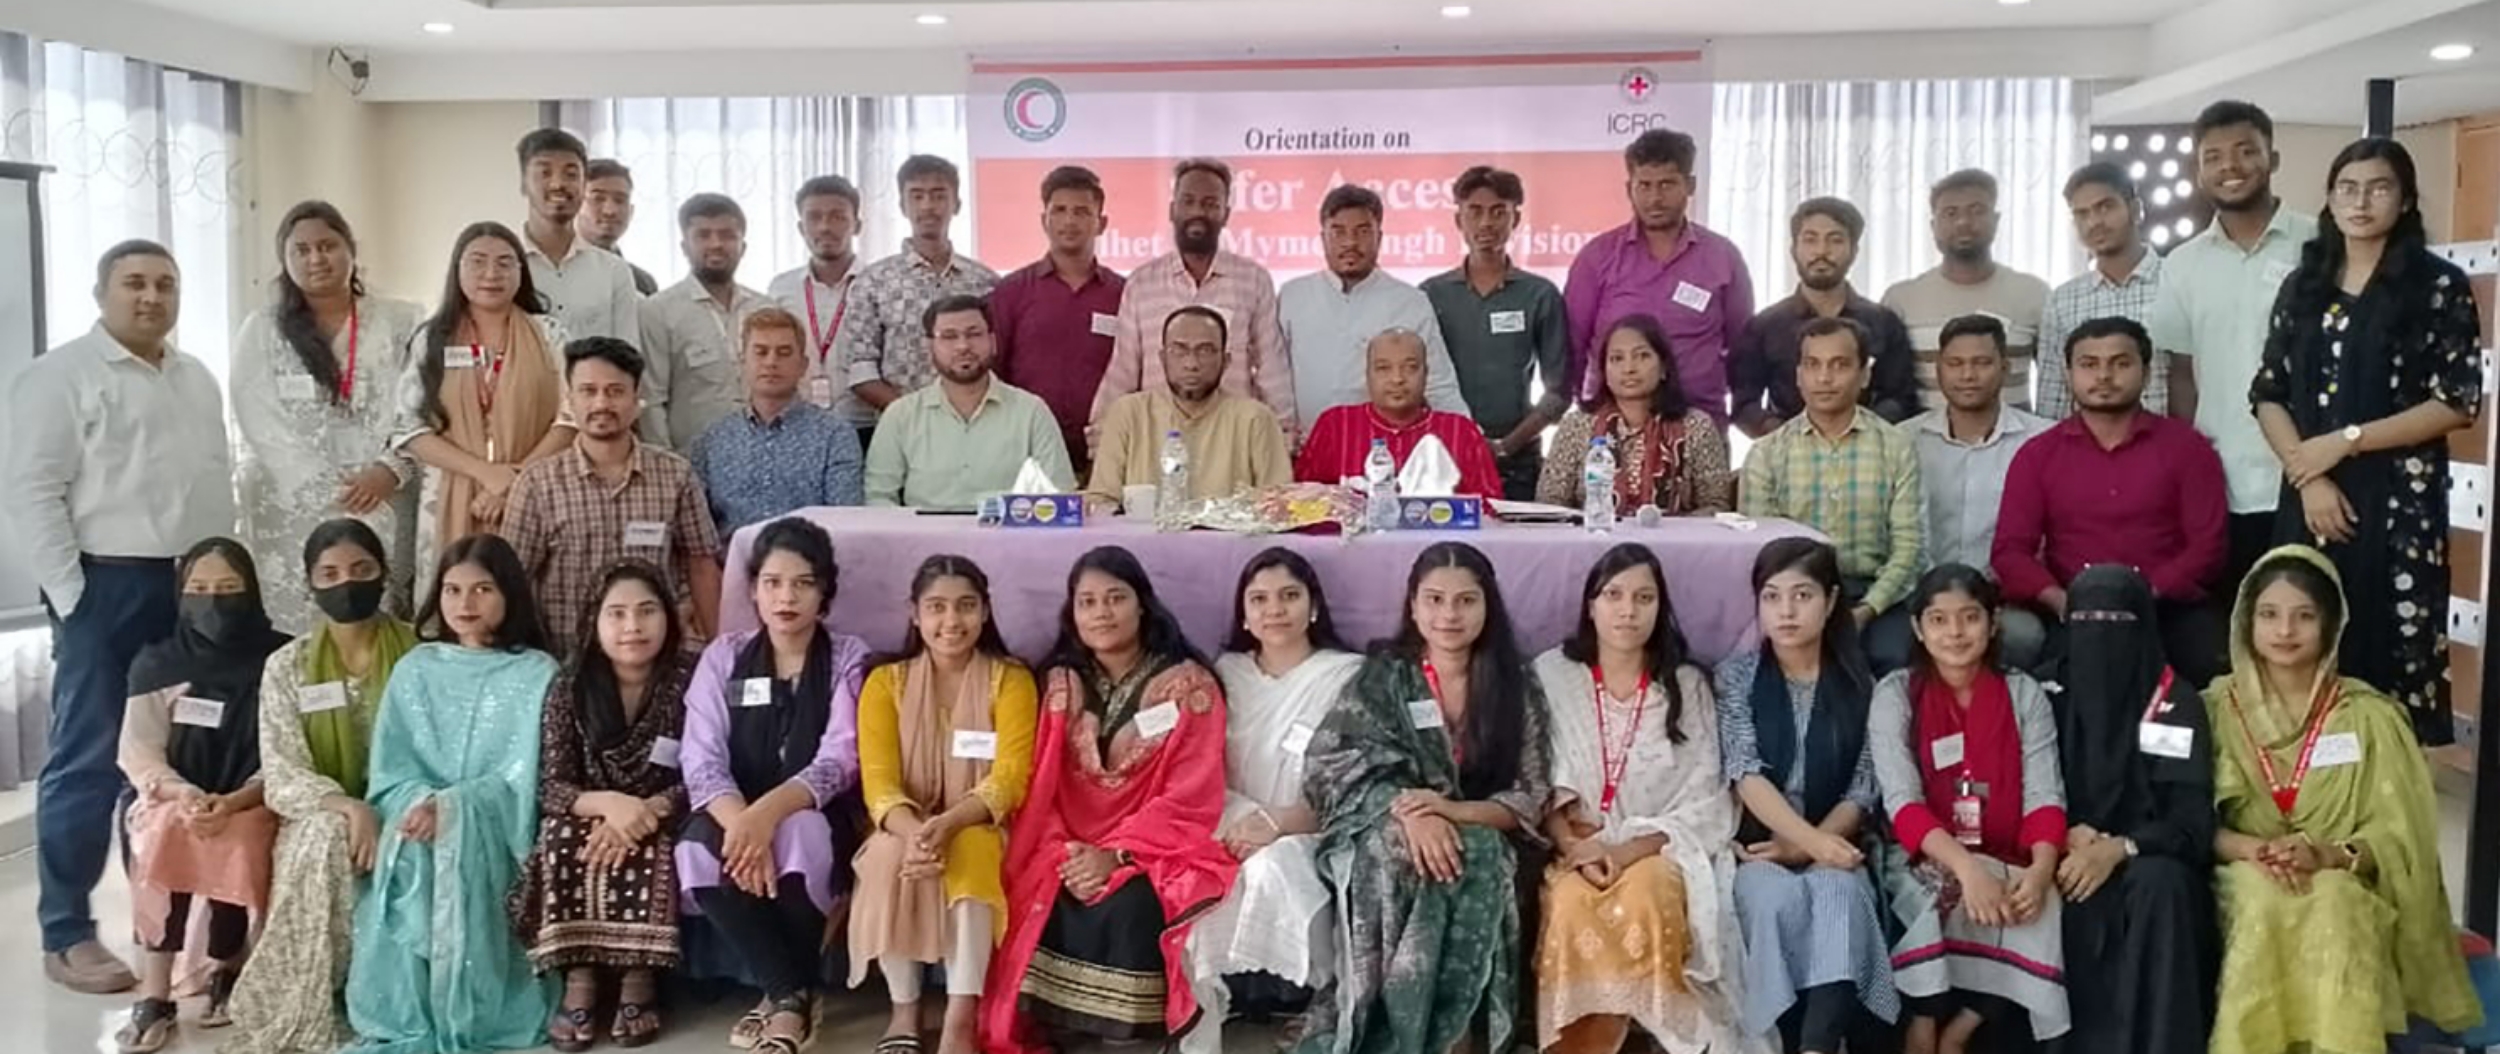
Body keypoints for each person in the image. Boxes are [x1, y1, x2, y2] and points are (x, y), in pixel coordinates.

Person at [5, 239, 233, 993]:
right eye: (134, 283)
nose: (151, 296)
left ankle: (161, 924)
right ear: (101, 292)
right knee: (89, 757)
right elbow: (31, 491)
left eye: (166, 284)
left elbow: (213, 485)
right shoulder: (60, 375)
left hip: (188, 587)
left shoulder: (195, 377)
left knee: (172, 757)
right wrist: (75, 602)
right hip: (104, 584)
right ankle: (66, 932)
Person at [2254, 137, 2484, 747]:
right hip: (2310, 495)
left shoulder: (2438, 286)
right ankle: (2304, 785)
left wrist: (2347, 441)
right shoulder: (2304, 284)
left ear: (2405, 200)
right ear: (2329, 200)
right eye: (2347, 189)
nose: (2361, 202)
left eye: (2379, 188)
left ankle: (2387, 785)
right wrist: (2309, 474)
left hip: (2399, 499)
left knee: (2390, 648)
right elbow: (2269, 392)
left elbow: (2456, 401)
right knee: (2301, 632)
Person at [2205, 546, 2480, 1054]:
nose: (2285, 630)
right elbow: (2188, 819)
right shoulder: (2213, 710)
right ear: (2246, 623)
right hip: (2241, 868)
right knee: (2261, 898)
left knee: (2336, 900)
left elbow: (2400, 836)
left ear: (2331, 625)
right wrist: (2252, 850)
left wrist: (2328, 855)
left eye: (2304, 616)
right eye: (2269, 614)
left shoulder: (2370, 717)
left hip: (2337, 873)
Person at [1293, 542, 1552, 1054]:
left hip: (1485, 826)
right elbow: (1331, 765)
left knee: (1480, 852)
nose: (1449, 615)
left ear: (1488, 606)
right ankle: (1394, 1027)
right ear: (1412, 606)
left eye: (1465, 600)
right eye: (1434, 599)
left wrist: (1450, 811)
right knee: (1394, 852)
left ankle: (1458, 1034)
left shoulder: (1515, 682)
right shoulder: (1386, 676)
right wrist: (1410, 813)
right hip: (1387, 820)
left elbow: (1532, 793)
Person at [980, 547, 1236, 1054]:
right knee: (1043, 891)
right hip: (1064, 845)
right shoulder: (1058, 685)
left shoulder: (1190, 687)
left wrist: (1116, 855)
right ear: (1072, 614)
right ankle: (1061, 1029)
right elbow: (1040, 784)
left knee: (1133, 902)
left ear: (1143, 604)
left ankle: (1125, 1036)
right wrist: (1067, 852)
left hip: (1152, 847)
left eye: (1115, 598)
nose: (1101, 612)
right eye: (1088, 601)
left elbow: (1190, 792)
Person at [343, 533, 560, 1054]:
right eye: (452, 589)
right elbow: (390, 771)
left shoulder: (537, 672)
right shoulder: (416, 668)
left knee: (455, 850)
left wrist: (456, 808)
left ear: (509, 593)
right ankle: (414, 1009)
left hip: (497, 830)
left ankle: (477, 1006)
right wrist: (422, 803)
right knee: (413, 852)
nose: (465, 604)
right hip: (413, 815)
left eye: (482, 589)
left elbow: (527, 778)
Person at [1533, 543, 1751, 1054]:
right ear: (1590, 606)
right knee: (1569, 904)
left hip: (1660, 847)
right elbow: (1537, 778)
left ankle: (1655, 1041)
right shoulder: (1553, 675)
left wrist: (1625, 850)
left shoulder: (1686, 685)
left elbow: (1708, 797)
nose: (1628, 611)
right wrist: (1574, 847)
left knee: (1646, 897)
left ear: (1661, 607)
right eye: (1613, 595)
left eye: (1643, 598)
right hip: (1578, 847)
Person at [221, 519, 418, 1054]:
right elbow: (282, 768)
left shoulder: (421, 654)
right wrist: (348, 807)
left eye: (360, 569)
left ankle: (389, 998)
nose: (345, 583)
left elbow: (437, 750)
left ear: (383, 574)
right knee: (326, 836)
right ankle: (308, 998)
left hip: (408, 803)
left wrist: (390, 804)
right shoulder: (287, 665)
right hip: (320, 810)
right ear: (309, 583)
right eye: (329, 574)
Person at [676, 517, 872, 1054]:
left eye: (803, 583)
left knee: (802, 836)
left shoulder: (848, 656)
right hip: (732, 807)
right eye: (772, 582)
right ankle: (790, 993)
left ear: (824, 593)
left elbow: (841, 757)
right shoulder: (724, 656)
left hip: (815, 810)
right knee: (695, 851)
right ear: (753, 590)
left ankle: (782, 996)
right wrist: (744, 825)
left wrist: (767, 817)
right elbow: (700, 755)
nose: (786, 597)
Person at [1868, 565, 2070, 1053]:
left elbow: (2045, 795)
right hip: (1923, 855)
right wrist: (1966, 867)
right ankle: (1923, 1019)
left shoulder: (2024, 693)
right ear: (1918, 628)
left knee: (2037, 901)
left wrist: (2041, 869)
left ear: (1993, 621)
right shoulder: (1896, 693)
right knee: (1938, 892)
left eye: (1970, 617)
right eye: (1938, 620)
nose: (1955, 633)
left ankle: (1964, 1028)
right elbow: (1903, 804)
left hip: (2007, 851)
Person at [849, 555, 1039, 1054]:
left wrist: (950, 823)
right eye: (936, 607)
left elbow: (1010, 778)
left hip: (984, 822)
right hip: (905, 826)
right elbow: (879, 784)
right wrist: (916, 834)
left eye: (965, 606)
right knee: (886, 855)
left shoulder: (1011, 680)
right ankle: (904, 1010)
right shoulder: (884, 684)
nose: (951, 621)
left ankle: (960, 1017)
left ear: (985, 612)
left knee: (972, 848)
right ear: (914, 614)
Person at [1715, 538, 1899, 1054]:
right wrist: (1806, 845)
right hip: (1757, 848)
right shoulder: (1737, 677)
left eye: (1802, 595)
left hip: (1835, 840)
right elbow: (1745, 772)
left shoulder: (1863, 685)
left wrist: (1810, 848)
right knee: (1772, 898)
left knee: (1839, 893)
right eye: (1772, 597)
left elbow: (1863, 787)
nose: (1787, 611)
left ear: (1832, 600)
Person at [113, 539, 292, 1053]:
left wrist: (238, 799)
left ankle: (227, 966)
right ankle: (155, 993)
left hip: (255, 796)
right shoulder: (156, 663)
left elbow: (289, 743)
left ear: (252, 592)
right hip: (174, 796)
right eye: (200, 589)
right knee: (165, 835)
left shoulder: (282, 658)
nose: (214, 601)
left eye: (229, 588)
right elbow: (139, 751)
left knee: (238, 839)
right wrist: (184, 793)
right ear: (180, 594)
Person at [1187, 548, 1366, 1053]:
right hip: (1229, 819)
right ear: (1243, 614)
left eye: (1289, 596)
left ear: (1314, 606)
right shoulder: (1224, 674)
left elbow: (1356, 777)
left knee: (1275, 868)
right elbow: (1199, 767)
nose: (1275, 610)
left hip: (1310, 826)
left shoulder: (1348, 675)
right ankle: (1207, 1008)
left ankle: (1322, 1004)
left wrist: (1280, 822)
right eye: (1259, 599)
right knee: (1198, 878)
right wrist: (1247, 819)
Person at [509, 562, 694, 1050]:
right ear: (594, 620)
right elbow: (552, 786)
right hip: (591, 812)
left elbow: (705, 772)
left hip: (666, 809)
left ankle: (639, 978)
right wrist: (610, 805)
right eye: (617, 613)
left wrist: (646, 811)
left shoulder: (691, 680)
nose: (633, 626)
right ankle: (580, 977)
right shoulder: (569, 686)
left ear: (668, 616)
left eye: (647, 611)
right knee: (559, 834)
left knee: (655, 843)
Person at [1993, 317, 2229, 686]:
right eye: (2089, 364)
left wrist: (2146, 594)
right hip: (2072, 610)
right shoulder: (2038, 455)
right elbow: (2010, 551)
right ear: (2068, 374)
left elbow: (2208, 547)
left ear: (2146, 373)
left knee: (2213, 665)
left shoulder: (2187, 448)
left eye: (2120, 363)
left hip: (2167, 607)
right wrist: (2060, 600)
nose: (2104, 376)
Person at [232, 201, 427, 631]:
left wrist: (390, 469)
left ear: (350, 250)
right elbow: (258, 419)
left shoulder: (404, 320)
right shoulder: (262, 330)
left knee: (379, 618)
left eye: (327, 246)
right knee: (304, 627)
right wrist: (325, 487)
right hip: (293, 502)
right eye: (301, 250)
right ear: (285, 261)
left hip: (384, 493)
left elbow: (425, 402)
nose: (316, 258)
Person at [2149, 100, 2316, 592]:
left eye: (2246, 151)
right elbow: (2182, 371)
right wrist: (2190, 462)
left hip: (2311, 468)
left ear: (2273, 159)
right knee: (2234, 614)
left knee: (2313, 610)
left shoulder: (2320, 244)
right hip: (2223, 477)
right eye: (2214, 157)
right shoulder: (2182, 264)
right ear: (2198, 172)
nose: (2230, 167)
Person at [2048, 565, 2215, 1054]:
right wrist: (2059, 834)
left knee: (2162, 886)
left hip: (2147, 854)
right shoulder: (2046, 693)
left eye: (2115, 621)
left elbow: (2190, 823)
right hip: (2058, 847)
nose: (2100, 634)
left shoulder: (2174, 701)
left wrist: (2121, 848)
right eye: (2086, 620)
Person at [501, 337, 723, 654]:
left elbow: (701, 565)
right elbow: (512, 579)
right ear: (569, 400)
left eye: (615, 391)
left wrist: (718, 651)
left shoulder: (676, 476)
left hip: (656, 659)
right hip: (565, 660)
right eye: (588, 391)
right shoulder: (537, 484)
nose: (601, 404)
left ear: (637, 397)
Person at [390, 221, 575, 591]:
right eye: (477, 261)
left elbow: (571, 418)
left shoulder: (550, 333)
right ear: (457, 269)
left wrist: (515, 480)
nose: (491, 273)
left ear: (521, 272)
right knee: (455, 598)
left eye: (505, 263)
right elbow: (408, 427)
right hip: (448, 494)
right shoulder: (432, 338)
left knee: (528, 597)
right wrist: (486, 473)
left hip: (535, 491)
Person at [1738, 318, 1922, 672]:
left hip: (1872, 593)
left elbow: (1909, 548)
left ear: (1864, 375)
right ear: (1798, 375)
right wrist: (1804, 607)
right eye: (1813, 364)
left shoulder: (1896, 446)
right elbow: (1761, 552)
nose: (1824, 378)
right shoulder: (1767, 452)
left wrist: (1866, 610)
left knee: (1897, 658)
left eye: (1839, 365)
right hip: (1794, 594)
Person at [1091, 157, 1295, 436]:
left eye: (1210, 204)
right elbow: (1123, 368)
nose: (1198, 211)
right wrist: (1103, 430)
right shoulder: (1142, 283)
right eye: (1188, 201)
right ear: (1172, 210)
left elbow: (1271, 367)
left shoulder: (1253, 280)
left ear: (1226, 214)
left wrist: (1284, 430)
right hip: (1157, 439)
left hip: (1233, 439)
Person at [1565, 128, 1753, 422]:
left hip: (1700, 424)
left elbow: (1742, 349)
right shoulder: (1597, 257)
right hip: (1613, 426)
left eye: (1667, 184)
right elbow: (1572, 345)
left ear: (1690, 186)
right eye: (1644, 185)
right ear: (1629, 189)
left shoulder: (1723, 257)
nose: (1654, 198)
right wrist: (1589, 413)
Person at [1910, 315, 2054, 671]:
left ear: (2005, 368)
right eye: (1955, 364)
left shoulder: (2043, 442)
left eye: (1982, 363)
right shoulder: (1904, 441)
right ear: (1938, 369)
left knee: (2022, 636)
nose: (1968, 375)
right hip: (1922, 596)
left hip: (2007, 599)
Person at [1422, 165, 1571, 500]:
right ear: (1458, 220)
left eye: (1498, 212)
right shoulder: (1431, 295)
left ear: (1515, 219)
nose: (1486, 223)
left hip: (1518, 462)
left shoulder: (1539, 295)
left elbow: (1559, 392)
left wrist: (1505, 446)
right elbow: (1419, 382)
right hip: (1443, 456)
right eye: (1475, 212)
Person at [1279, 185, 1470, 438]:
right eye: (1338, 232)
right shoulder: (1292, 295)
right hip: (1304, 445)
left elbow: (1438, 385)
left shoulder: (1410, 301)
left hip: (1385, 448)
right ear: (1322, 237)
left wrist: (1468, 439)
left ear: (1379, 237)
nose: (1350, 242)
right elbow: (1273, 379)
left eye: (1362, 231)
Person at [863, 295, 1076, 510]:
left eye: (974, 334)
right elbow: (879, 497)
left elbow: (1058, 494)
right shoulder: (901, 415)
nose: (963, 346)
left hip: (1009, 530)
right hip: (924, 530)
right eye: (949, 336)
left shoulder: (1031, 411)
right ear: (930, 347)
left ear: (993, 342)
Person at [1730, 197, 1919, 436]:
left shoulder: (1884, 323)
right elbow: (1745, 405)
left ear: (1854, 251)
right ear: (1793, 250)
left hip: (1868, 451)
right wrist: (1785, 438)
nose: (1821, 251)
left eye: (1835, 240)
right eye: (1810, 239)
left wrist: (1859, 436)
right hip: (1786, 452)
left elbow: (1900, 399)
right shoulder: (1764, 326)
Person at [839, 154, 1001, 424]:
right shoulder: (873, 281)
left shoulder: (985, 282)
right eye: (917, 196)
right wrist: (913, 415)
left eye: (938, 195)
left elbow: (996, 359)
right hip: (901, 427)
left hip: (977, 423)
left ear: (957, 204)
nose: (927, 206)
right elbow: (861, 371)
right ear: (903, 206)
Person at [1085, 305, 1294, 514]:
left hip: (1230, 536)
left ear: (1226, 361)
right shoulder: (1129, 414)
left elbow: (1279, 504)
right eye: (1179, 350)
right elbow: (1102, 501)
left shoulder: (1254, 419)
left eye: (1205, 351)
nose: (1191, 364)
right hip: (1142, 535)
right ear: (1162, 358)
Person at [992, 165, 1128, 473]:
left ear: (1101, 223)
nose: (1069, 221)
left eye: (1082, 212)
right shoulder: (1011, 291)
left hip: (1105, 453)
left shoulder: (1124, 293)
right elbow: (995, 373)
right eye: (1060, 210)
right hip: (1026, 453)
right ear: (1044, 220)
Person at [1881, 169, 2052, 413]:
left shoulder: (2034, 294)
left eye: (1976, 211)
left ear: (1996, 220)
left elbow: (2056, 381)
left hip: (2020, 437)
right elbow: (1891, 390)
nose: (1963, 222)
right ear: (1933, 226)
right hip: (1924, 435)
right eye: (1951, 213)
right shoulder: (1900, 299)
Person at [691, 307, 868, 536]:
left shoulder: (835, 436)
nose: (771, 362)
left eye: (784, 353)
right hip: (731, 557)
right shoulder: (712, 440)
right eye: (761, 352)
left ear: (803, 365)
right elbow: (699, 529)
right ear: (742, 362)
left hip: (811, 557)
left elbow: (844, 521)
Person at [1537, 314, 1733, 517]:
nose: (1629, 368)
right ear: (1604, 371)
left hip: (1675, 537)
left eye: (1642, 356)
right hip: (1594, 535)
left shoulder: (1696, 426)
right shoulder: (1577, 426)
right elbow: (1549, 504)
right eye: (1617, 359)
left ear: (1664, 367)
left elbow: (1716, 506)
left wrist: (1673, 529)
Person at [1294, 328, 1504, 500]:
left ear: (1426, 374)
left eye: (1410, 368)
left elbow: (1490, 507)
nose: (1397, 379)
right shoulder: (1335, 426)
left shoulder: (1460, 430)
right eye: (1383, 368)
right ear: (1367, 375)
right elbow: (1301, 501)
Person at [638, 192, 770, 451]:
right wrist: (665, 463)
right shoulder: (658, 311)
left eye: (727, 235)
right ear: (684, 247)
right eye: (703, 235)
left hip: (763, 456)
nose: (716, 244)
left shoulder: (765, 309)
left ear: (743, 246)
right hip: (692, 462)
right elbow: (651, 399)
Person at [2038, 162, 2167, 419]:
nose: (2094, 222)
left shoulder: (2178, 281)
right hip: (2089, 444)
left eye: (2105, 207)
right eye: (2082, 214)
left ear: (2135, 210)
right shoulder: (2063, 300)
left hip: (2169, 440)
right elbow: (2053, 398)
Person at [514, 129, 641, 342]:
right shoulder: (502, 266)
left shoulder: (613, 271)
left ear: (583, 186)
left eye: (571, 175)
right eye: (545, 173)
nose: (558, 184)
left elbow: (627, 352)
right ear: (523, 185)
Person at [766, 174, 870, 426]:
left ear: (857, 225)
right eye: (814, 217)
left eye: (837, 217)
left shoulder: (877, 284)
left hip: (865, 423)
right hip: (798, 424)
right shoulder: (781, 289)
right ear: (801, 227)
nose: (825, 227)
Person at [578, 159, 660, 296]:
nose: (610, 211)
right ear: (575, 205)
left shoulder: (643, 283)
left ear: (631, 211)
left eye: (620, 200)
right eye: (598, 199)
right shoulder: (552, 272)